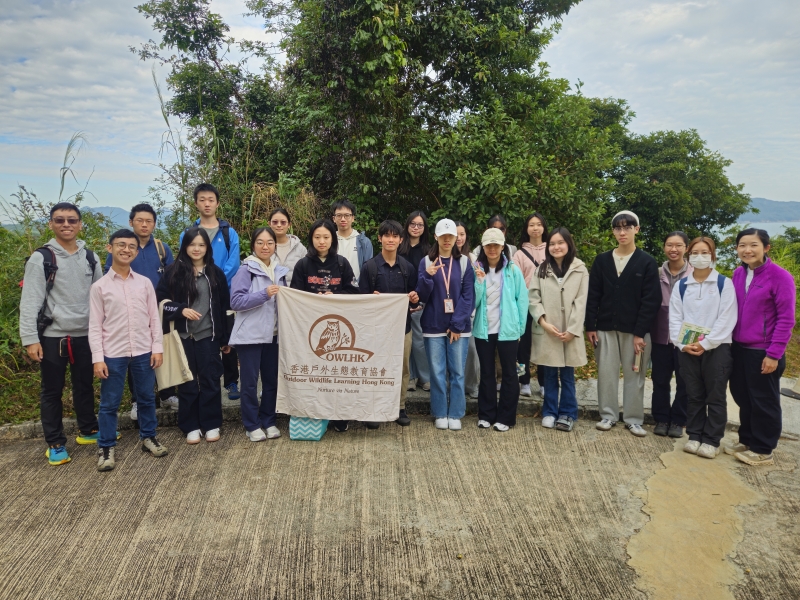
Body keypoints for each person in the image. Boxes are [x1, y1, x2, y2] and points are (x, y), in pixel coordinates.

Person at [19, 202, 104, 465]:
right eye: (60, 220)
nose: (66, 225)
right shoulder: (42, 258)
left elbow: (100, 298)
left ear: (80, 224)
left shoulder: (90, 257)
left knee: (85, 385)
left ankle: (88, 429)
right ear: (51, 224)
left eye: (71, 220)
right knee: (52, 391)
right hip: (53, 336)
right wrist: (30, 339)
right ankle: (55, 443)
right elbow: (30, 301)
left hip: (85, 334)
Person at [90, 229, 167, 472]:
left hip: (143, 350)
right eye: (121, 245)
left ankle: (149, 437)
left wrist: (157, 348)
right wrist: (98, 358)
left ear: (136, 251)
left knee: (146, 398)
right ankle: (106, 446)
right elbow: (95, 325)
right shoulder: (100, 287)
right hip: (113, 353)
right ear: (110, 248)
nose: (126, 249)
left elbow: (154, 318)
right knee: (109, 403)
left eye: (131, 246)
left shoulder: (144, 283)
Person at [585, 211, 660, 437]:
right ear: (613, 232)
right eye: (618, 228)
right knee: (606, 373)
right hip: (605, 328)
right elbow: (593, 295)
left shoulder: (646, 262)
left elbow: (651, 300)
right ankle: (608, 415)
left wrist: (640, 332)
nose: (622, 232)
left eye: (627, 227)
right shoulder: (602, 260)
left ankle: (633, 419)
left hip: (636, 332)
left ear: (637, 229)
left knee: (635, 374)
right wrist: (590, 326)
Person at [726, 228, 796, 466]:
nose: (747, 250)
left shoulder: (780, 277)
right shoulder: (738, 273)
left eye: (753, 245)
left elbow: (786, 319)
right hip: (738, 347)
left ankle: (763, 449)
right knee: (742, 396)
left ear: (766, 248)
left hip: (763, 350)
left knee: (763, 400)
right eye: (742, 245)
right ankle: (747, 440)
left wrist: (774, 354)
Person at [158, 228, 231, 444]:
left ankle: (211, 424)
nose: (196, 249)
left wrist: (225, 339)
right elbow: (159, 300)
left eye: (201, 245)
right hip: (182, 336)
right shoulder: (172, 272)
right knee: (187, 381)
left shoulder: (215, 273)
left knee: (210, 380)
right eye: (192, 244)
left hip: (208, 334)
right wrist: (180, 310)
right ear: (185, 247)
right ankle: (190, 426)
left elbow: (224, 307)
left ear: (207, 248)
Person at [104, 203, 178, 418]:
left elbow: (173, 277)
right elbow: (110, 278)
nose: (144, 225)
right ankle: (138, 400)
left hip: (160, 310)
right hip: (131, 312)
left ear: (154, 224)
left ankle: (167, 394)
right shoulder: (124, 248)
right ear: (131, 222)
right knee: (134, 355)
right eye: (140, 220)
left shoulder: (162, 248)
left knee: (162, 350)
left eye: (149, 221)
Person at [669, 237, 737, 459]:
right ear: (689, 256)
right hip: (688, 348)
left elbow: (727, 318)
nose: (700, 257)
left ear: (712, 255)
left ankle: (711, 440)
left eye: (705, 252)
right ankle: (695, 435)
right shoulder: (681, 286)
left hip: (717, 349)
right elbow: (675, 318)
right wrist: (682, 344)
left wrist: (706, 343)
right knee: (694, 394)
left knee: (715, 395)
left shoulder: (723, 284)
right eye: (695, 253)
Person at [291, 219, 359, 432]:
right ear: (311, 239)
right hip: (309, 329)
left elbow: (354, 292)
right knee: (315, 374)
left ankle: (339, 416)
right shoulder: (303, 265)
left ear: (333, 239)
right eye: (317, 237)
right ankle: (314, 414)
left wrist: (335, 296)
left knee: (336, 374)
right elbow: (294, 297)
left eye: (326, 237)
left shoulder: (342, 263)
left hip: (338, 327)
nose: (322, 241)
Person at [180, 183, 242, 401]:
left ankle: (231, 381)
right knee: (203, 335)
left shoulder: (229, 233)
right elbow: (183, 261)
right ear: (196, 203)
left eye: (211, 200)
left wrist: (214, 280)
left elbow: (234, 262)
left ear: (217, 203)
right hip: (196, 292)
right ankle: (199, 380)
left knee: (227, 334)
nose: (207, 204)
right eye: (202, 200)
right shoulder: (188, 233)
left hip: (225, 292)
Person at [359, 220, 420, 427]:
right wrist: (371, 298)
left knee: (402, 369)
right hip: (376, 330)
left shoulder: (407, 268)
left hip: (403, 328)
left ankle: (399, 407)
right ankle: (373, 409)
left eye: (395, 236)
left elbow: (414, 298)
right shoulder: (369, 267)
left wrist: (414, 298)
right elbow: (361, 301)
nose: (391, 240)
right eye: (387, 235)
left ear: (401, 240)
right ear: (380, 238)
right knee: (375, 368)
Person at [229, 227, 288, 442]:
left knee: (271, 382)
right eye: (260, 242)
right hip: (250, 336)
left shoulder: (279, 270)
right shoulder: (246, 270)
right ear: (253, 245)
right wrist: (264, 294)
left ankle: (269, 421)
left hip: (274, 335)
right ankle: (251, 424)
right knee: (250, 383)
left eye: (270, 242)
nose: (265, 247)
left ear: (275, 245)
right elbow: (236, 301)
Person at [417, 219, 475, 431]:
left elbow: (468, 297)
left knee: (457, 372)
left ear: (456, 238)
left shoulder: (465, 262)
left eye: (451, 236)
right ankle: (440, 412)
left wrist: (457, 325)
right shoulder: (426, 262)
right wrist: (427, 276)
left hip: (458, 328)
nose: (447, 240)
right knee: (437, 372)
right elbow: (421, 297)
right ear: (436, 237)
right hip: (433, 325)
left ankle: (456, 413)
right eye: (443, 236)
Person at [529, 227, 589, 432]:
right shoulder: (541, 269)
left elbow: (582, 301)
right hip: (549, 330)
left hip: (570, 332)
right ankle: (549, 411)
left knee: (568, 375)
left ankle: (568, 413)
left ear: (568, 244)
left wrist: (573, 329)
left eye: (560, 243)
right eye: (552, 244)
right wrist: (543, 322)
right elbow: (533, 298)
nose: (556, 247)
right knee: (549, 374)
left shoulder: (580, 269)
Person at [472, 228, 528, 431]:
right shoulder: (477, 269)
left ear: (503, 246)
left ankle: (506, 418)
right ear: (483, 247)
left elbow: (522, 300)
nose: (492, 249)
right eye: (489, 245)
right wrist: (479, 282)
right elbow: (473, 302)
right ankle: (486, 414)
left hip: (508, 329)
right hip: (483, 329)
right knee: (487, 372)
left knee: (509, 373)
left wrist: (519, 329)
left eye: (496, 245)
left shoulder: (513, 270)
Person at [650, 232, 692, 438]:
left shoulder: (695, 273)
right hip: (661, 335)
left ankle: (678, 420)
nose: (673, 249)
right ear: (664, 247)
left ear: (686, 248)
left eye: (678, 245)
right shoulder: (656, 273)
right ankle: (661, 418)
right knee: (660, 380)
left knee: (685, 381)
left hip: (687, 337)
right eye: (669, 245)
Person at [512, 212, 549, 398]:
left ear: (544, 227)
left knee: (544, 344)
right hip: (525, 306)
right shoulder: (519, 254)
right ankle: (523, 381)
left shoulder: (551, 250)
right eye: (531, 225)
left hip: (546, 305)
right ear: (526, 229)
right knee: (522, 347)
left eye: (539, 224)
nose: (535, 228)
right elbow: (515, 282)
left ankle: (544, 383)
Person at [398, 210, 431, 392]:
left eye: (420, 225)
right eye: (413, 224)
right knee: (404, 340)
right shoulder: (399, 246)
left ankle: (424, 377)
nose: (416, 228)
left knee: (418, 340)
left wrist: (417, 300)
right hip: (399, 301)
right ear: (407, 225)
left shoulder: (428, 250)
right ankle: (409, 377)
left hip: (419, 301)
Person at [455, 221, 479, 399]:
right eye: (455, 234)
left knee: (471, 350)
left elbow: (479, 286)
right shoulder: (441, 256)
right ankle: (453, 386)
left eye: (462, 234)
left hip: (469, 313)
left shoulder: (472, 258)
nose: (459, 238)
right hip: (447, 313)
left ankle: (472, 385)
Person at [331, 199, 373, 283]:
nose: (343, 219)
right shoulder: (329, 241)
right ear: (334, 218)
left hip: (358, 288)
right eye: (339, 215)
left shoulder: (364, 242)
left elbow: (368, 270)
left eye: (347, 215)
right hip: (333, 288)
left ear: (353, 218)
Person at [269, 208, 306, 285]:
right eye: (275, 222)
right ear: (269, 224)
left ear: (289, 225)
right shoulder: (263, 247)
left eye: (283, 222)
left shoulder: (299, 247)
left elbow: (308, 272)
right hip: (269, 291)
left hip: (294, 291)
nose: (279, 225)